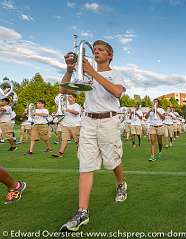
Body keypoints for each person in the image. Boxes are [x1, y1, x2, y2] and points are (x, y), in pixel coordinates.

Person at [59, 40, 127, 232]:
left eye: (101, 50)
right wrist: (70, 69)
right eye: (94, 49)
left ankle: (120, 184)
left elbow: (117, 92)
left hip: (109, 120)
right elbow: (64, 90)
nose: (96, 52)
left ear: (110, 55)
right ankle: (82, 212)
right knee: (85, 164)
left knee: (112, 160)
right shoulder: (86, 73)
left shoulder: (115, 73)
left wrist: (93, 73)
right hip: (88, 121)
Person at [52, 94, 81, 158]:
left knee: (77, 140)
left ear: (74, 98)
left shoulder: (76, 105)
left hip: (75, 125)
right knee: (64, 140)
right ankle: (60, 153)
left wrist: (67, 110)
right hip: (65, 125)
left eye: (70, 97)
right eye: (68, 97)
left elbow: (76, 113)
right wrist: (56, 113)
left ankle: (80, 151)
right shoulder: (64, 106)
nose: (68, 98)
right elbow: (61, 114)